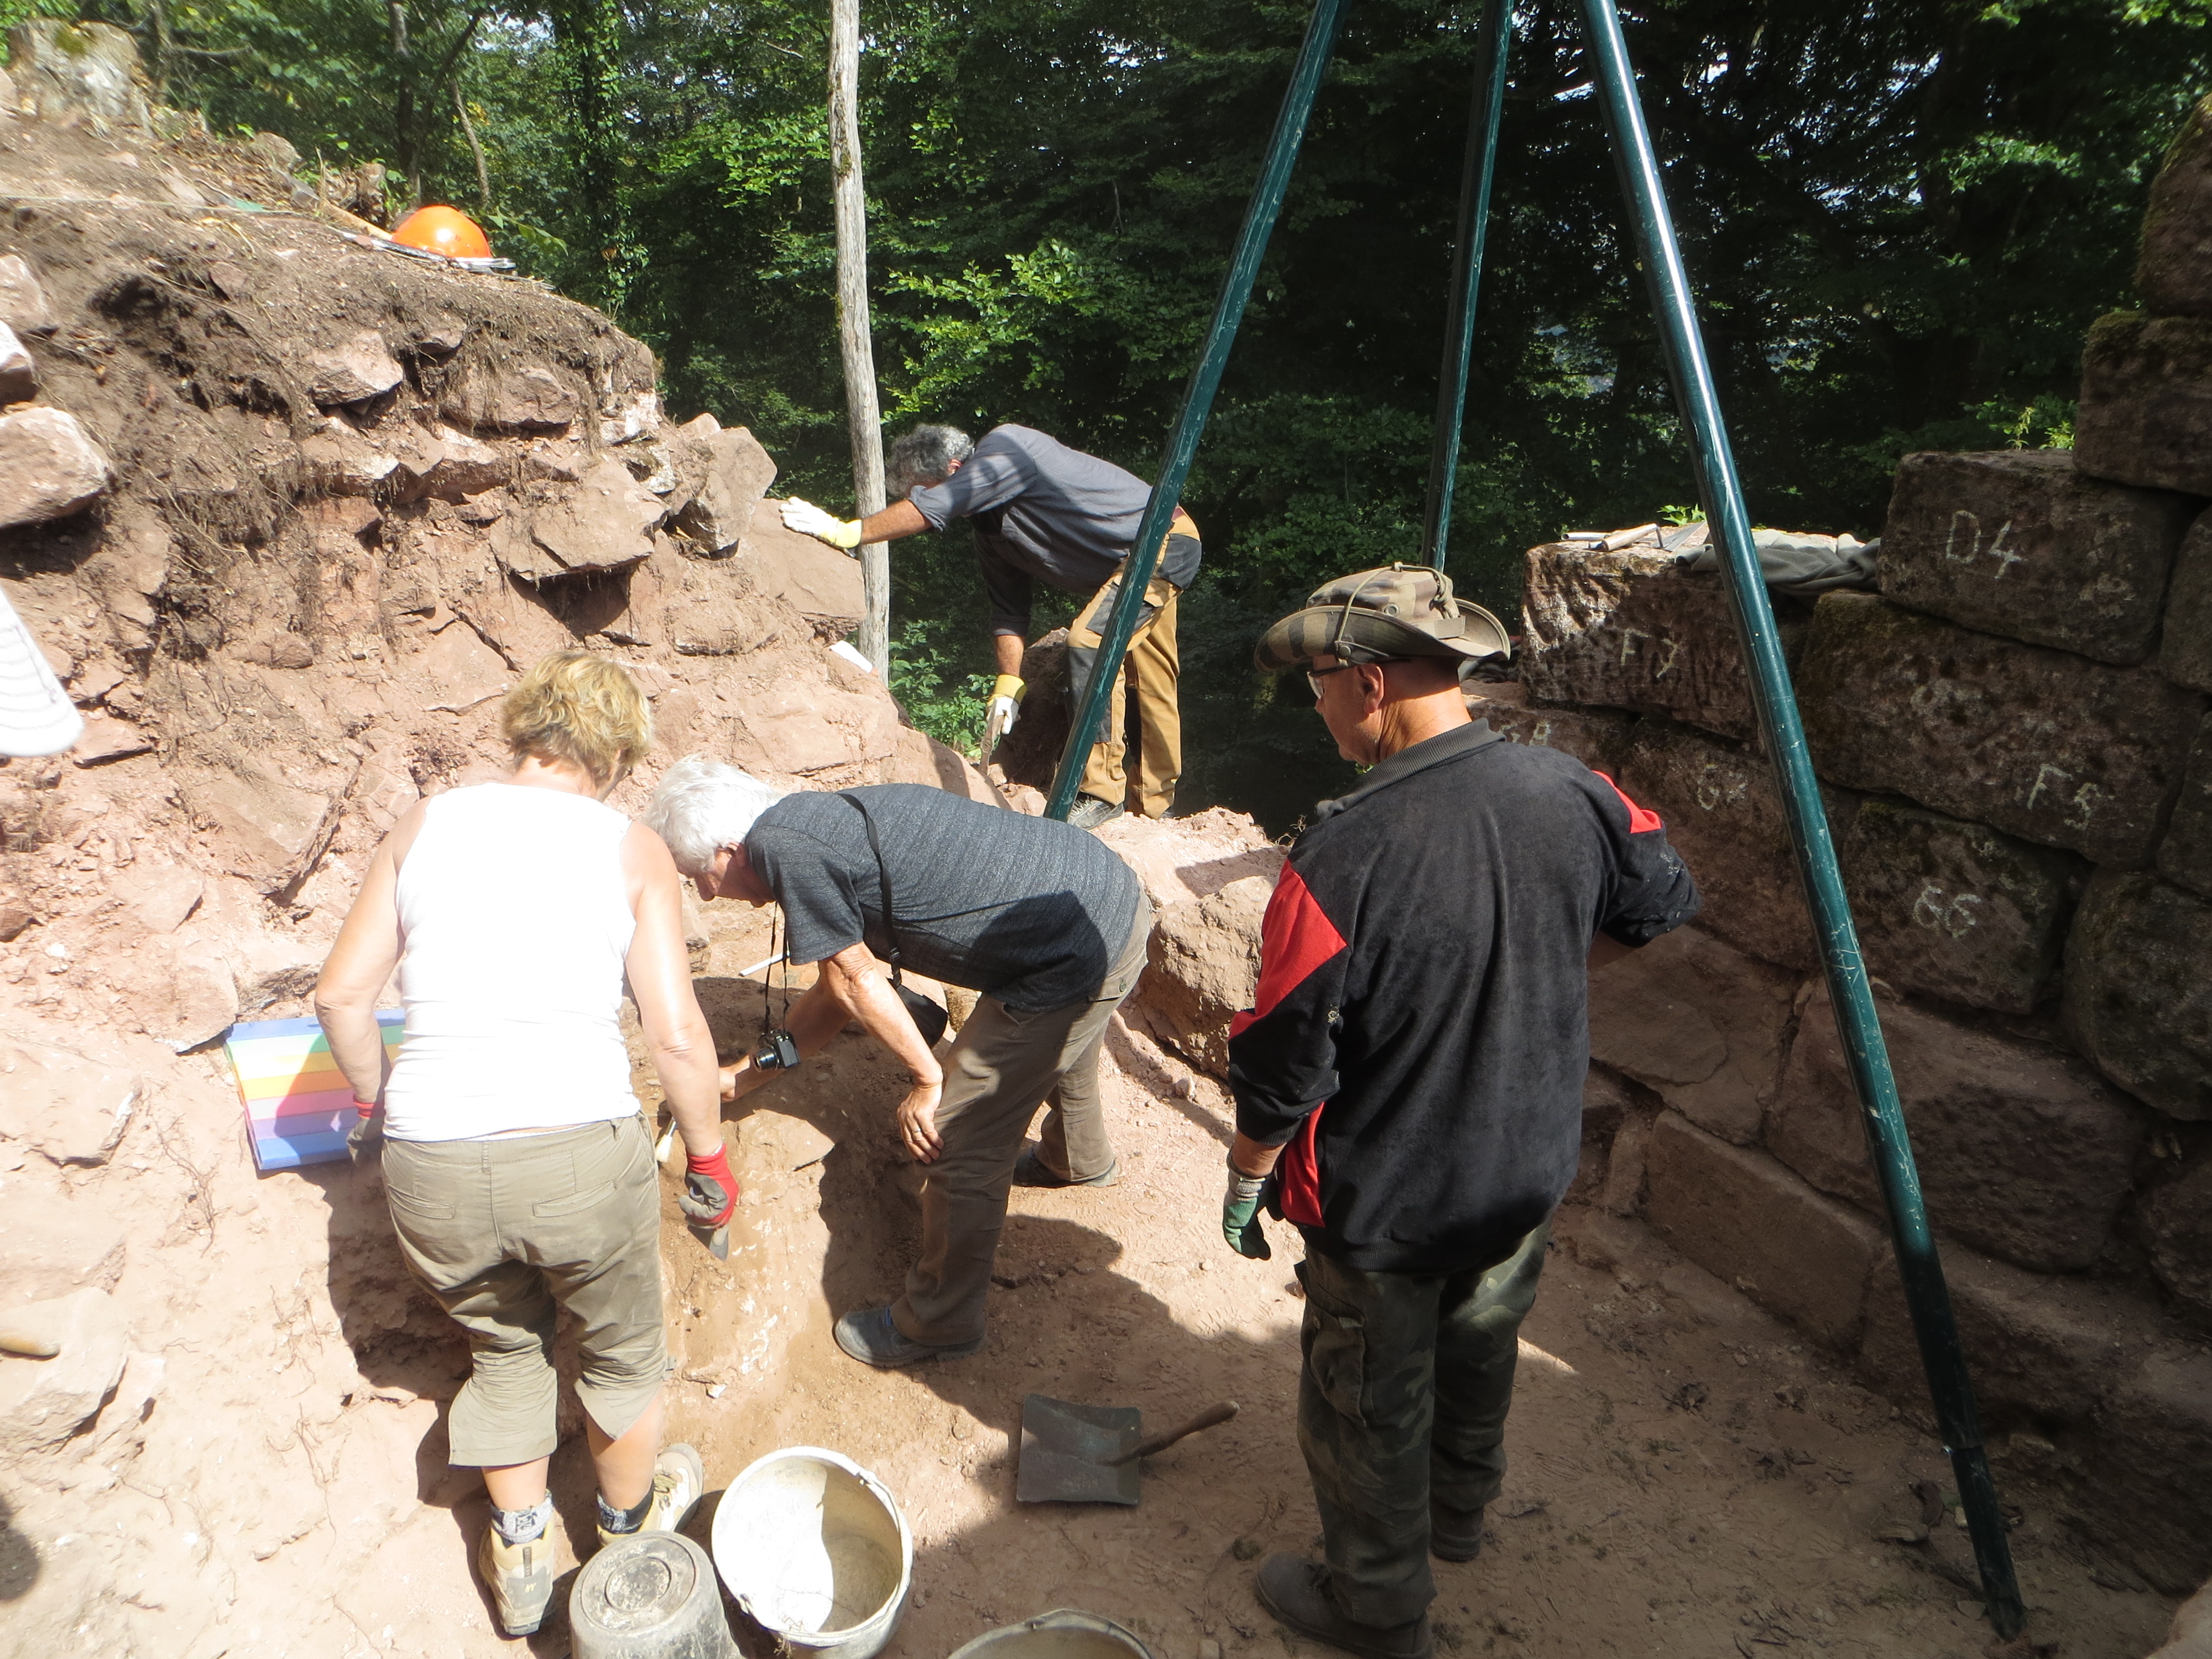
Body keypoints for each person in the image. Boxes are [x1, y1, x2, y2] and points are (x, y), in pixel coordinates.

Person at [1221, 566, 1701, 1659]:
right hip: (1524, 1159)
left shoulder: (1344, 849)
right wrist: (1533, 963)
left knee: (1365, 1398)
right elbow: (1662, 898)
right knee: (1482, 1337)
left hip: (1390, 1193)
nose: (1317, 708)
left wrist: (1247, 1175)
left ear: (1370, 682)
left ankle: (1377, 1609)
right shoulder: (1572, 788)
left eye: (1318, 687)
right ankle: (1457, 1514)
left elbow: (1287, 1056)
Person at [314, 651, 735, 1639]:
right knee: (622, 1354)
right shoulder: (632, 848)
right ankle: (630, 1537)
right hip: (577, 1146)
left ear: (523, 733)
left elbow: (340, 998)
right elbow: (676, 1036)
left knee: (504, 1349)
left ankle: (523, 1557)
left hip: (432, 1157)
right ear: (616, 755)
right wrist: (710, 1157)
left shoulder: (426, 823)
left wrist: (380, 1100)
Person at [646, 759, 1151, 1364]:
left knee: (958, 1135)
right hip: (1102, 898)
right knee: (1061, 1038)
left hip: (1072, 948)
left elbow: (857, 980)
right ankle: (1077, 1159)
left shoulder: (783, 850)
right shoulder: (810, 821)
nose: (705, 893)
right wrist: (745, 1077)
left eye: (698, 876)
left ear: (730, 850)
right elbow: (836, 994)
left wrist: (929, 1077)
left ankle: (939, 1322)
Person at [779, 424, 1201, 828]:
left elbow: (934, 508)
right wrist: (1008, 683)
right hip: (1129, 562)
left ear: (956, 471)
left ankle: (1102, 792)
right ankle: (1155, 807)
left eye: (922, 491)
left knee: (1090, 643)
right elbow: (1009, 612)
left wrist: (847, 531)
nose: (918, 503)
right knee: (1152, 678)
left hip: (1163, 539)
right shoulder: (992, 531)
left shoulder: (1008, 449)